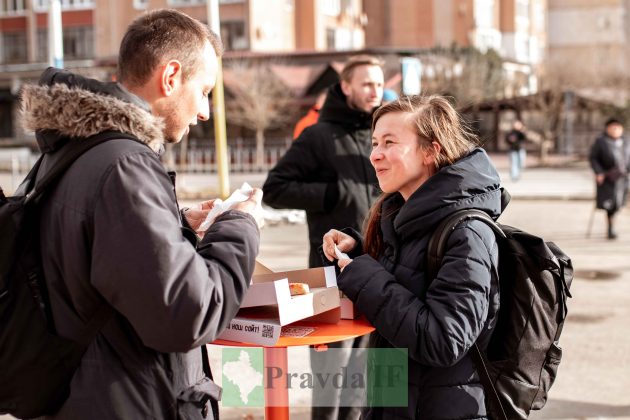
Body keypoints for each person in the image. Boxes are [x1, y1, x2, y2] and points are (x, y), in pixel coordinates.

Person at [19, 10, 262, 420]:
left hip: (87, 395)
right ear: (170, 77)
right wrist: (239, 225)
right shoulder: (125, 165)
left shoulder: (77, 149)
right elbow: (186, 314)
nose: (205, 112)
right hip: (125, 401)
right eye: (203, 91)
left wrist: (177, 224)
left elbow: (93, 253)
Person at [322, 95, 502, 419]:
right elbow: (406, 285)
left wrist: (363, 272)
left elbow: (444, 340)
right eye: (374, 142)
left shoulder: (467, 233)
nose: (375, 155)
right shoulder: (402, 217)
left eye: (390, 143)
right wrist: (359, 252)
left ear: (431, 150)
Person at [263, 55, 384, 420]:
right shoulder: (318, 135)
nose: (374, 91)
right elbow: (275, 189)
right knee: (331, 372)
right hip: (331, 273)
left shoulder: (382, 136)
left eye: (379, 84)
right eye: (366, 84)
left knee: (369, 369)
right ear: (345, 86)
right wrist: (331, 195)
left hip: (380, 269)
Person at [589, 118, 630, 239]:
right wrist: (599, 172)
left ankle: (612, 225)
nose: (616, 129)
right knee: (609, 204)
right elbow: (594, 158)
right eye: (613, 127)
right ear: (607, 129)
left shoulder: (626, 141)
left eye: (618, 127)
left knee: (619, 203)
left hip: (623, 178)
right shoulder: (601, 142)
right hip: (607, 177)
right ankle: (610, 228)